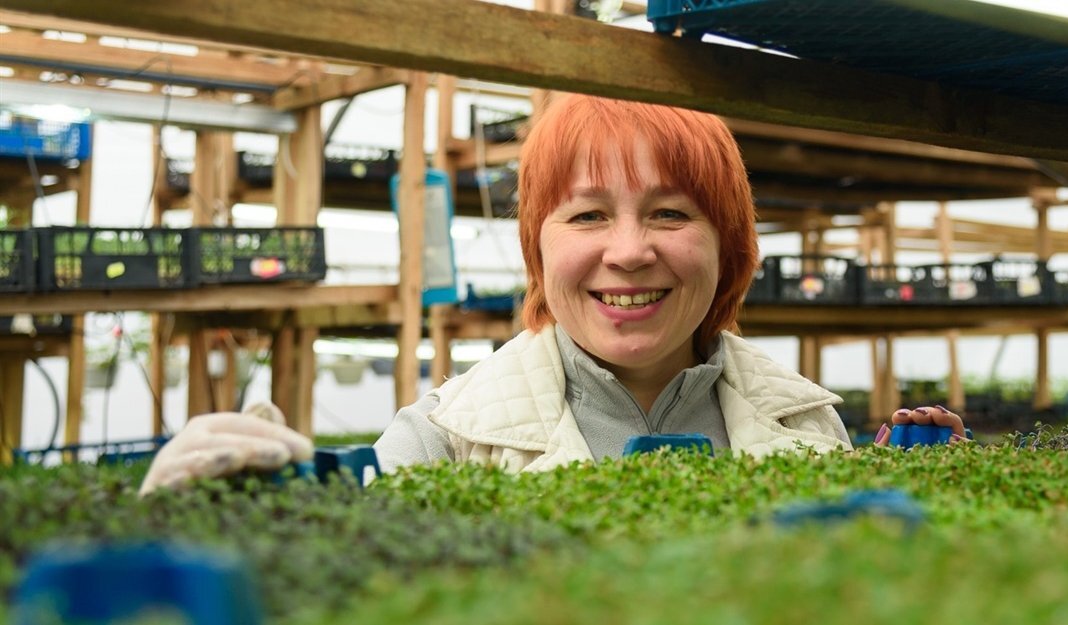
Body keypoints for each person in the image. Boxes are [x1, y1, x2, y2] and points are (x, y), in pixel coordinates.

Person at [140, 95, 964, 494]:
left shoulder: (810, 423)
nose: (629, 251)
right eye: (588, 215)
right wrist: (222, 506)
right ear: (538, 246)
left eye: (671, 213)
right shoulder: (442, 439)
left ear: (731, 247)